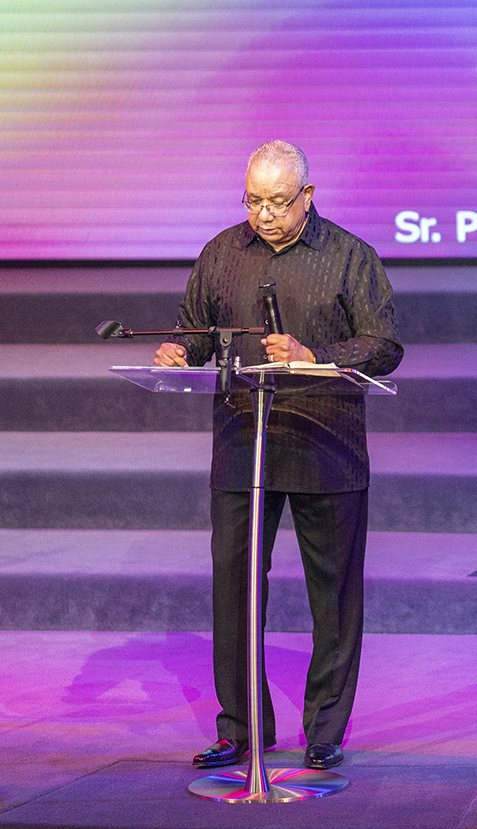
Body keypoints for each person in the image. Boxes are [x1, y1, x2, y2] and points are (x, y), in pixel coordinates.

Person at [154, 140, 402, 771]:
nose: (263, 213)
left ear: (307, 196)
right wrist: (180, 353)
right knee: (235, 588)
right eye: (253, 200)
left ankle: (325, 730)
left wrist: (316, 356)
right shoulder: (221, 253)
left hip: (326, 442)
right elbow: (197, 330)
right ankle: (241, 727)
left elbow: (383, 345)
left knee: (333, 597)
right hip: (245, 440)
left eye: (278, 201)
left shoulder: (350, 256)